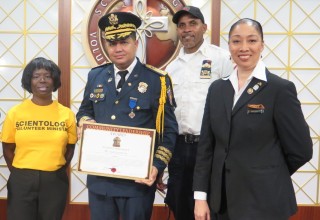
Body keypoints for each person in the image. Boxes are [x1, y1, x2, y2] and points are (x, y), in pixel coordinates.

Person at [193, 18, 313, 220]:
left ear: (262, 45)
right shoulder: (217, 89)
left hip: (264, 203)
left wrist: (268, 172)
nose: (244, 48)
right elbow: (206, 147)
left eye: (252, 40)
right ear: (229, 46)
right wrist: (200, 197)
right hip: (221, 202)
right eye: (236, 41)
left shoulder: (279, 89)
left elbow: (301, 150)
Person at [76, 11, 178, 220]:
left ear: (135, 43)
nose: (118, 48)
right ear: (106, 46)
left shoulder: (156, 80)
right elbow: (85, 110)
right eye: (112, 43)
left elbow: (168, 130)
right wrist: (86, 124)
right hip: (100, 180)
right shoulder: (96, 75)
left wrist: (156, 167)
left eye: (124, 41)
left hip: (136, 184)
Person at [157, 6, 234, 220]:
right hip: (179, 148)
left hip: (210, 147)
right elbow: (167, 116)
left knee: (214, 205)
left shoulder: (223, 59)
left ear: (204, 27)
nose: (187, 29)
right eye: (181, 25)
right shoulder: (171, 69)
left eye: (193, 23)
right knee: (180, 204)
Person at [1, 57, 77, 220]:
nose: (42, 80)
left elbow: (70, 147)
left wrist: (57, 169)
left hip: (55, 180)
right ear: (29, 81)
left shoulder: (67, 114)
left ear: (54, 80)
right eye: (36, 76)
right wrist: (19, 172)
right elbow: (7, 148)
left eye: (47, 76)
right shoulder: (15, 113)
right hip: (22, 179)